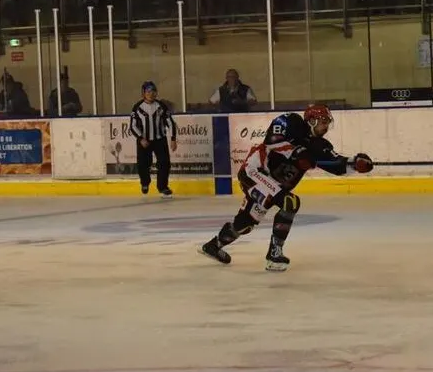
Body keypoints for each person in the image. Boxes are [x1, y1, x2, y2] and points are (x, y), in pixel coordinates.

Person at [199, 104, 374, 271]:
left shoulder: (319, 146)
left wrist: (354, 163)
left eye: (327, 123)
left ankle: (213, 246)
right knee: (290, 202)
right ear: (311, 120)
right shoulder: (291, 122)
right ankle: (274, 255)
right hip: (255, 172)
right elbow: (271, 142)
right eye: (323, 122)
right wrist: (295, 152)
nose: (325, 127)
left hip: (271, 184)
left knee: (246, 224)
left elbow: (337, 164)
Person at [129, 81, 177, 197]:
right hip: (144, 140)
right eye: (148, 91)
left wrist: (173, 139)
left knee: (164, 163)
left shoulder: (161, 106)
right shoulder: (137, 107)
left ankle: (163, 187)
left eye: (153, 91)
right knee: (143, 164)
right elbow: (132, 126)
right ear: (143, 93)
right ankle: (145, 182)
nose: (151, 94)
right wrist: (141, 138)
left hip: (160, 139)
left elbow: (170, 122)